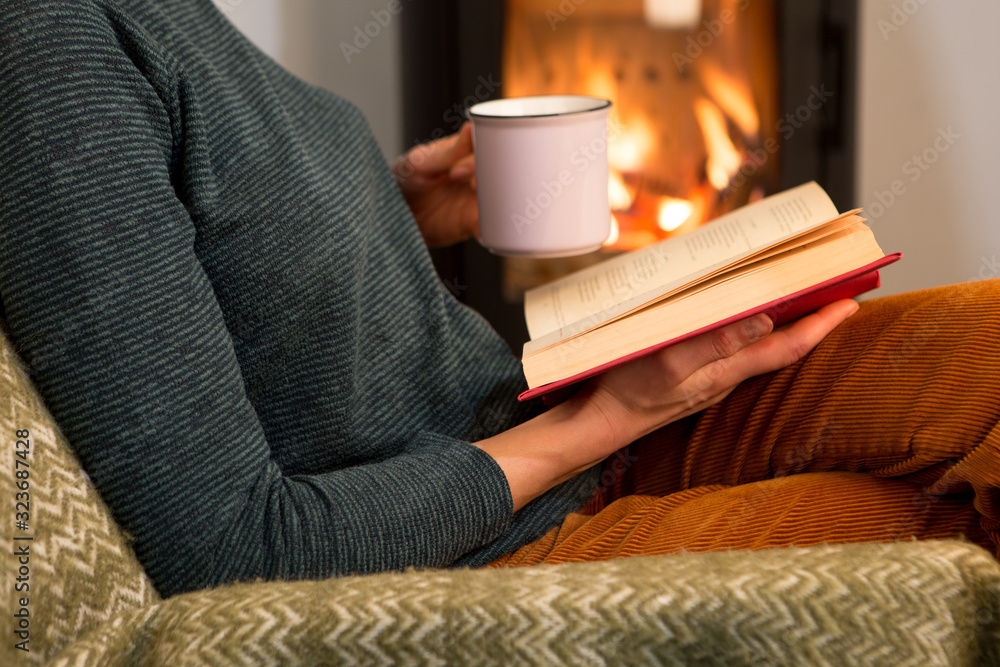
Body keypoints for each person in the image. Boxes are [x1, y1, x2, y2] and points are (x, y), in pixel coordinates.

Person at [2, 0, 998, 600]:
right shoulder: (42, 51)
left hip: (552, 424)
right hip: (498, 532)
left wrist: (394, 204)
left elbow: (186, 249)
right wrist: (613, 415)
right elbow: (232, 547)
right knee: (962, 539)